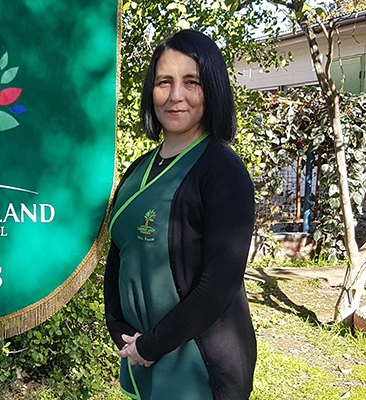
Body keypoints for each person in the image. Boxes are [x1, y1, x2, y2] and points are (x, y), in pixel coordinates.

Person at [104, 29, 257, 400]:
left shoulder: (223, 171)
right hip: (140, 356)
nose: (175, 96)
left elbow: (219, 284)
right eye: (163, 82)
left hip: (199, 368)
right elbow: (120, 252)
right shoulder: (139, 168)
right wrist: (117, 327)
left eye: (191, 82)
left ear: (213, 89)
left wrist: (151, 345)